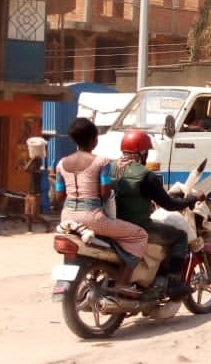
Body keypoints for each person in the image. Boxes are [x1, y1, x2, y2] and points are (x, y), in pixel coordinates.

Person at [50, 117, 149, 290]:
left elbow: (58, 196)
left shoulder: (61, 164)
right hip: (92, 218)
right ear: (94, 139)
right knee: (140, 235)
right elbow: (105, 193)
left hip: (67, 217)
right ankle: (123, 282)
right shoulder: (102, 162)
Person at [112, 130, 204, 298]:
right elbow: (169, 205)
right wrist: (191, 199)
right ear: (143, 153)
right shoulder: (146, 176)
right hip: (138, 226)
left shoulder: (110, 167)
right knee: (180, 236)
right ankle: (174, 283)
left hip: (113, 224)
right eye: (146, 151)